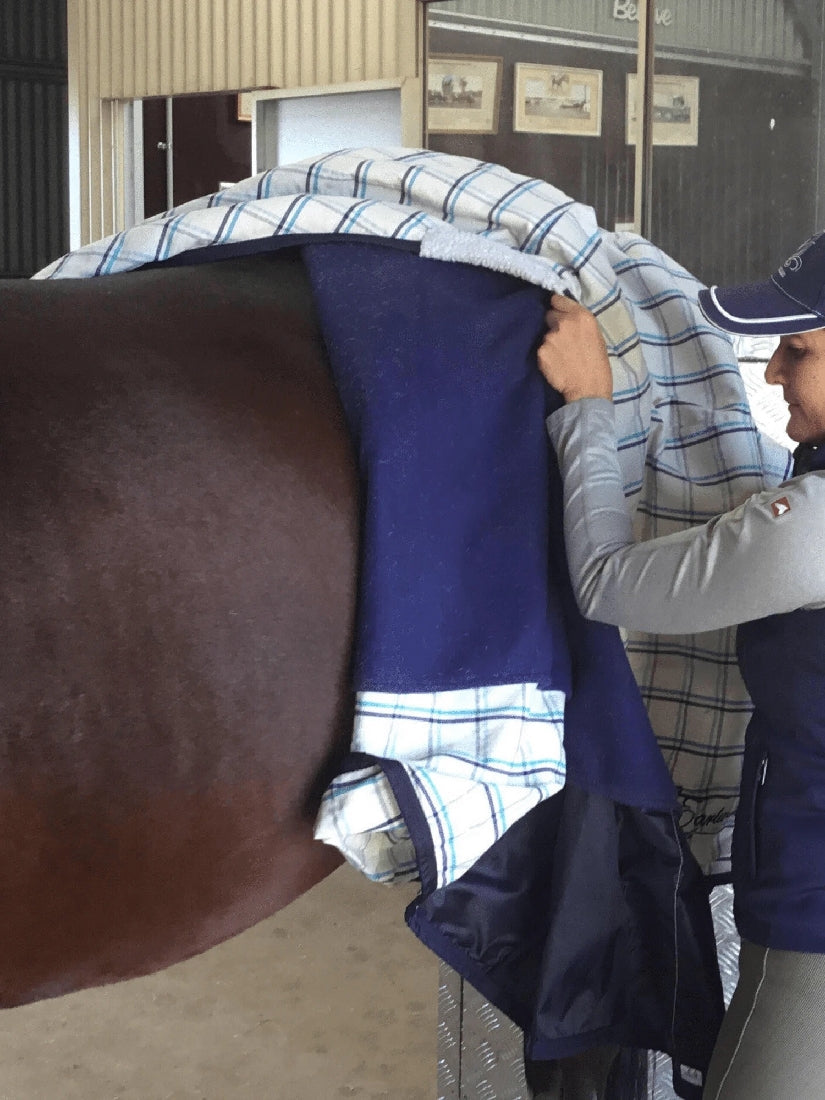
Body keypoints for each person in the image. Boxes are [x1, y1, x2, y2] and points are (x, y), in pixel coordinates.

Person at [538, 231, 825, 1099]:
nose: (772, 372)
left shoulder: (811, 530)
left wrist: (588, 404)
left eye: (799, 349)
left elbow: (605, 583)